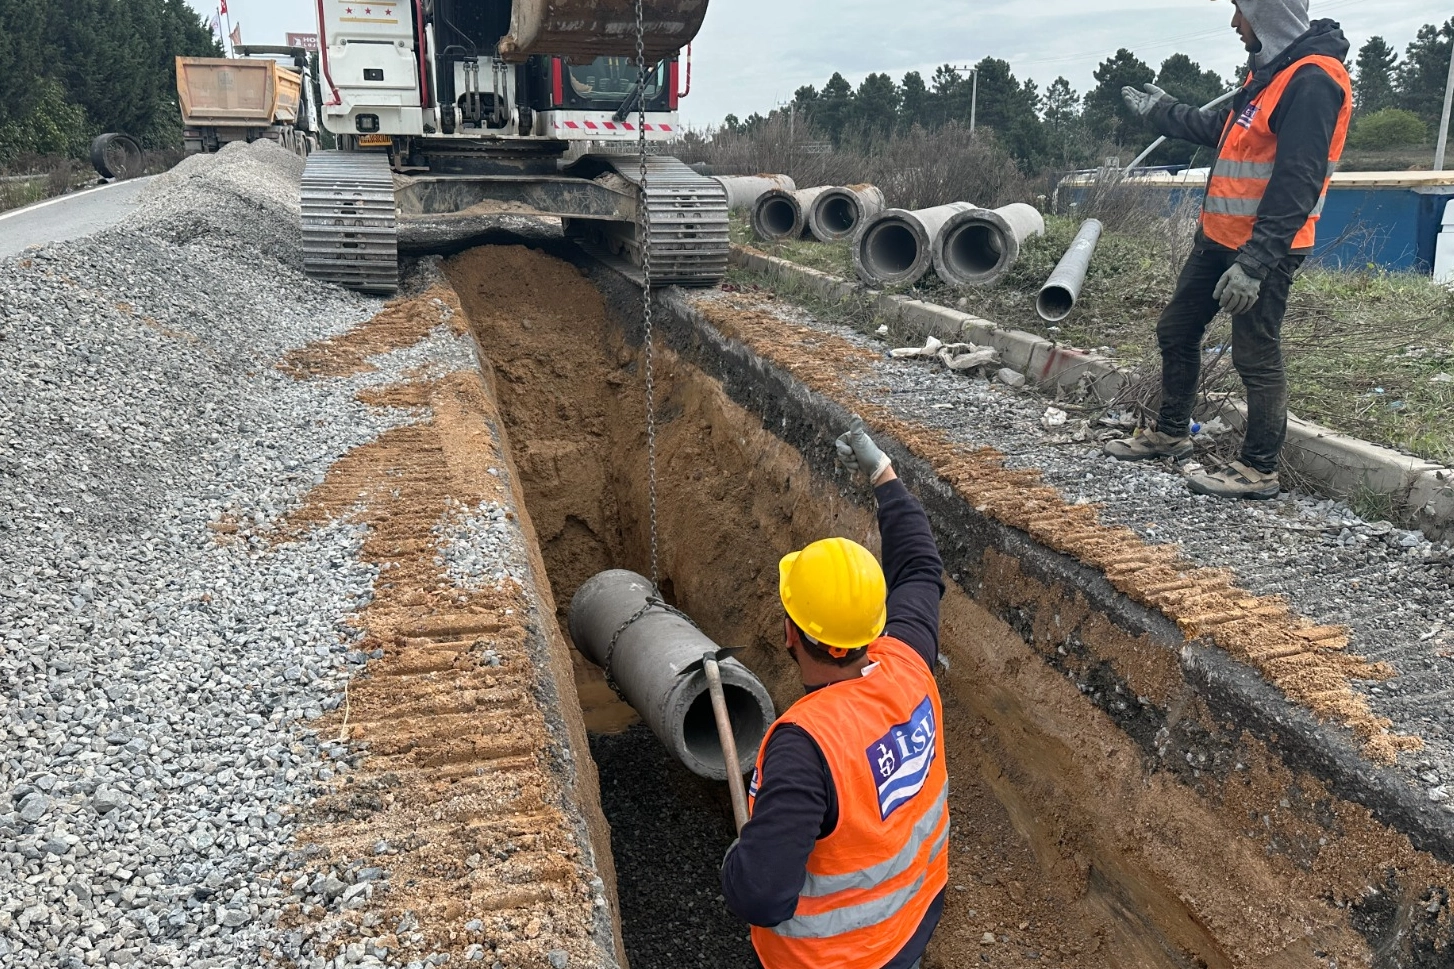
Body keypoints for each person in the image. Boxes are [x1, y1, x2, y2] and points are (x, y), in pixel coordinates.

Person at [720, 416, 948, 969]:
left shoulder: (806, 747)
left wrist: (738, 861)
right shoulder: (908, 663)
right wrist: (884, 474)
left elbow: (761, 896)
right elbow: (921, 569)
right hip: (910, 927)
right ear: (874, 624)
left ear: (790, 633)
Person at [1106, 0, 1352, 500]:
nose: (1235, 23)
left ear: (1267, 12)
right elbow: (1224, 130)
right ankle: (1172, 434)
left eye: (1241, 11)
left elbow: (1298, 181)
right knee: (1177, 330)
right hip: (1218, 238)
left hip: (1263, 251)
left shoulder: (1312, 80)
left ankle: (1259, 468)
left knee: (1255, 355)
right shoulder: (1270, 73)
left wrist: (1255, 264)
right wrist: (1164, 112)